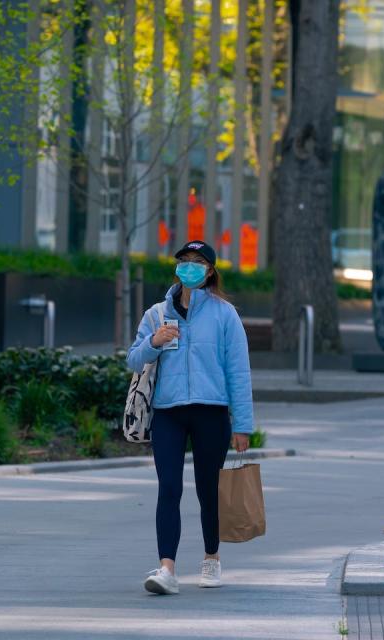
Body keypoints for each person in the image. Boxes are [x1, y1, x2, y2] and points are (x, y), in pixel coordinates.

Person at [126, 239, 254, 596]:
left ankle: (211, 557)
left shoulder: (224, 314)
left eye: (198, 262)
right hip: (167, 413)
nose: (189, 267)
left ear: (210, 271)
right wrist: (154, 340)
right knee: (169, 487)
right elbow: (134, 360)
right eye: (184, 260)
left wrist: (242, 425)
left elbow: (238, 372)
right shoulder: (156, 314)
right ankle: (167, 568)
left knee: (208, 490)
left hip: (211, 413)